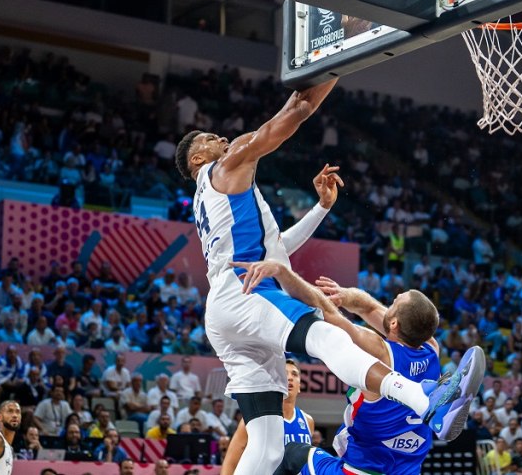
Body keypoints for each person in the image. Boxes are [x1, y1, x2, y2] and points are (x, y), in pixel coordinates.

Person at [175, 80, 472, 474]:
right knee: (328, 334)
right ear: (198, 159)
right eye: (212, 138)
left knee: (267, 447)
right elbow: (290, 116)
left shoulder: (211, 195)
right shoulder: (225, 167)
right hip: (248, 294)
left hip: (226, 311)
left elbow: (277, 247)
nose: (223, 137)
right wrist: (335, 65)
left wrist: (320, 208)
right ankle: (424, 400)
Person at [259, 267, 484, 475]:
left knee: (293, 454)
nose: (390, 302)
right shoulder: (432, 349)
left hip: (360, 470)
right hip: (406, 470)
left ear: (394, 323)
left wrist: (282, 273)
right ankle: (444, 398)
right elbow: (371, 308)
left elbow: (326, 312)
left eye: (396, 301)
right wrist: (345, 295)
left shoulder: (380, 351)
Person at [222, 359, 314, 474]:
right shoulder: (255, 418)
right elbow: (231, 462)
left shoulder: (308, 421)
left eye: (294, 374)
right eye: (284, 373)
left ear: (299, 385)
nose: (290, 378)